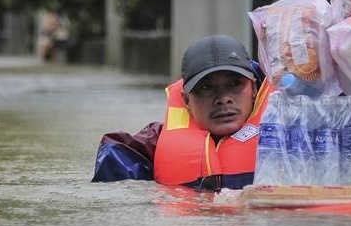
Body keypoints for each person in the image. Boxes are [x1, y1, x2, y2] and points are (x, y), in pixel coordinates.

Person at [92, 34, 275, 190]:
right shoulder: (155, 142)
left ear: (253, 89)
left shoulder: (285, 128)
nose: (223, 98)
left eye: (234, 84)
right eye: (206, 87)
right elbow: (114, 157)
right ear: (186, 99)